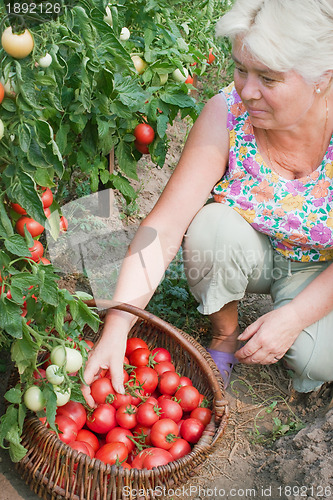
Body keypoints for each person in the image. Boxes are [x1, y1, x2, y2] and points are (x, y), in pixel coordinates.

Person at [82, 0, 333, 407]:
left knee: (313, 362)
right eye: (240, 69)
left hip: (324, 267)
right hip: (251, 247)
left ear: (321, 77)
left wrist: (295, 318)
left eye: (268, 78)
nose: (247, 91)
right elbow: (164, 227)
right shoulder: (228, 112)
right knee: (210, 227)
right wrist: (118, 324)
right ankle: (224, 333)